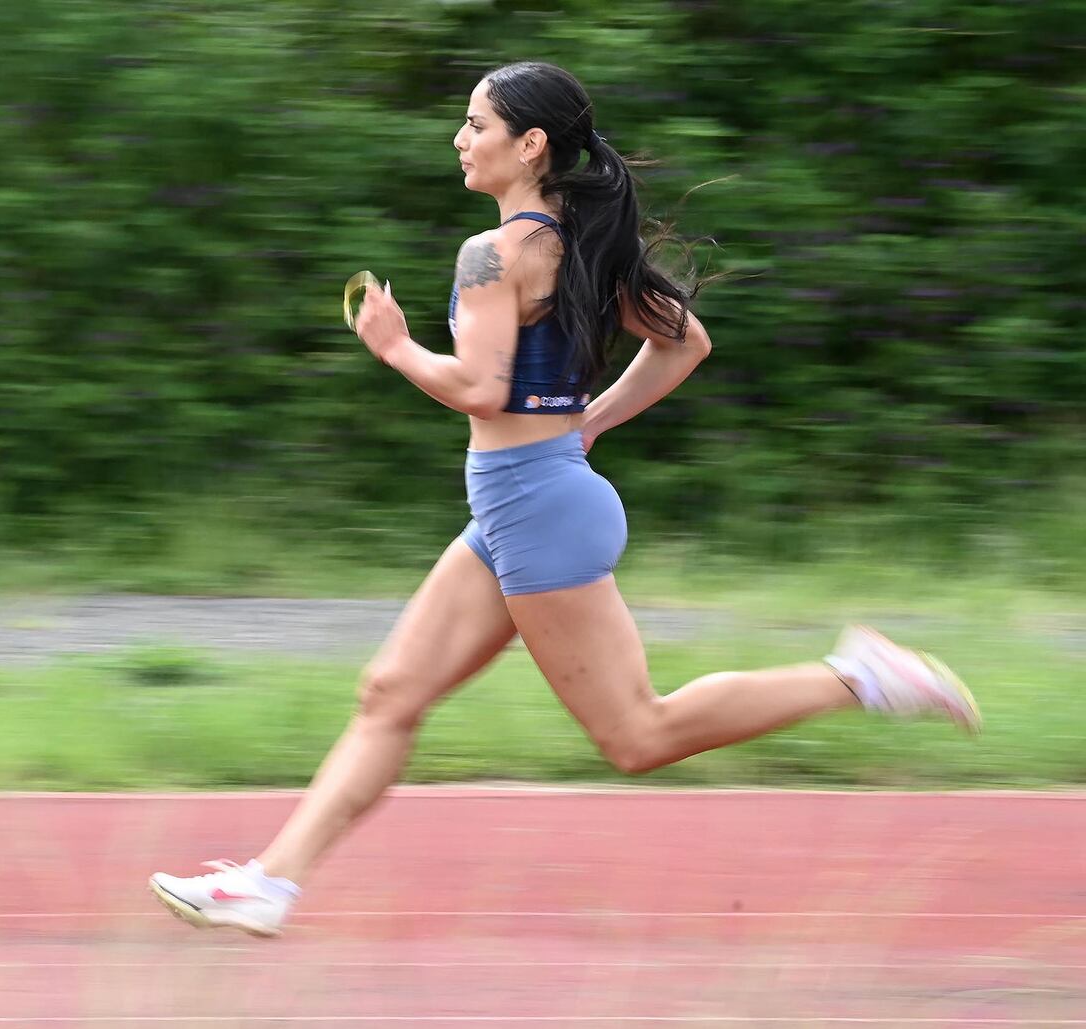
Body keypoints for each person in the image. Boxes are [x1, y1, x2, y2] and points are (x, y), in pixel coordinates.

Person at [148, 61, 979, 939]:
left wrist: (394, 347)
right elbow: (686, 342)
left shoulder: (492, 254)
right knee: (389, 691)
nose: (460, 139)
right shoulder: (579, 244)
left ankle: (861, 677)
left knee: (637, 735)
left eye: (477, 124)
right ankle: (270, 883)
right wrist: (591, 423)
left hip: (538, 512)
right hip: (522, 506)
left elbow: (480, 388)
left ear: (530, 144)